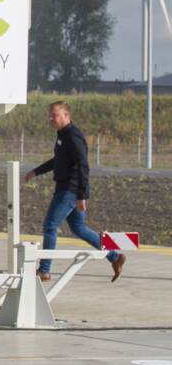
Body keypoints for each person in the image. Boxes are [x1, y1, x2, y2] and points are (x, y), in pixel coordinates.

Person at [24, 101, 125, 282]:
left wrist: (81, 195)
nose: (51, 118)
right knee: (79, 228)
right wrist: (35, 172)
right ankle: (115, 256)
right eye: (50, 115)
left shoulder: (73, 136)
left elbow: (83, 166)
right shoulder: (63, 135)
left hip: (70, 190)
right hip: (66, 189)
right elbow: (57, 160)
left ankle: (44, 270)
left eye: (54, 115)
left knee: (50, 226)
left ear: (66, 115)